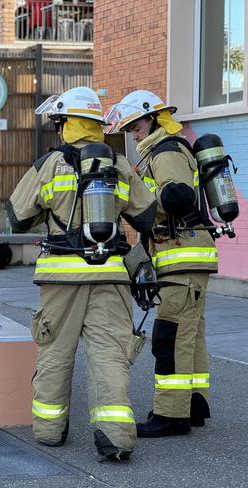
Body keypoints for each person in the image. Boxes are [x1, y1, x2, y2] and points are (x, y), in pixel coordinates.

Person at [7, 86, 156, 461]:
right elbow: (146, 216)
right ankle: (117, 438)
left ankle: (50, 430)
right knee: (109, 355)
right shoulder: (119, 163)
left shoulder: (49, 162)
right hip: (110, 274)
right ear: (96, 124)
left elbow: (18, 217)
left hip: (61, 278)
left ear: (63, 123)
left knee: (55, 353)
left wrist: (52, 211)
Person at [105, 90, 219, 437]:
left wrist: (140, 200)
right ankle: (194, 403)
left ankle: (171, 414)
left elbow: (178, 196)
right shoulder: (163, 149)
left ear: (152, 119)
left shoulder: (166, 150)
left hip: (182, 255)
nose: (133, 133)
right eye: (129, 129)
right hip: (187, 256)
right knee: (190, 333)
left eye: (136, 126)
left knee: (170, 337)